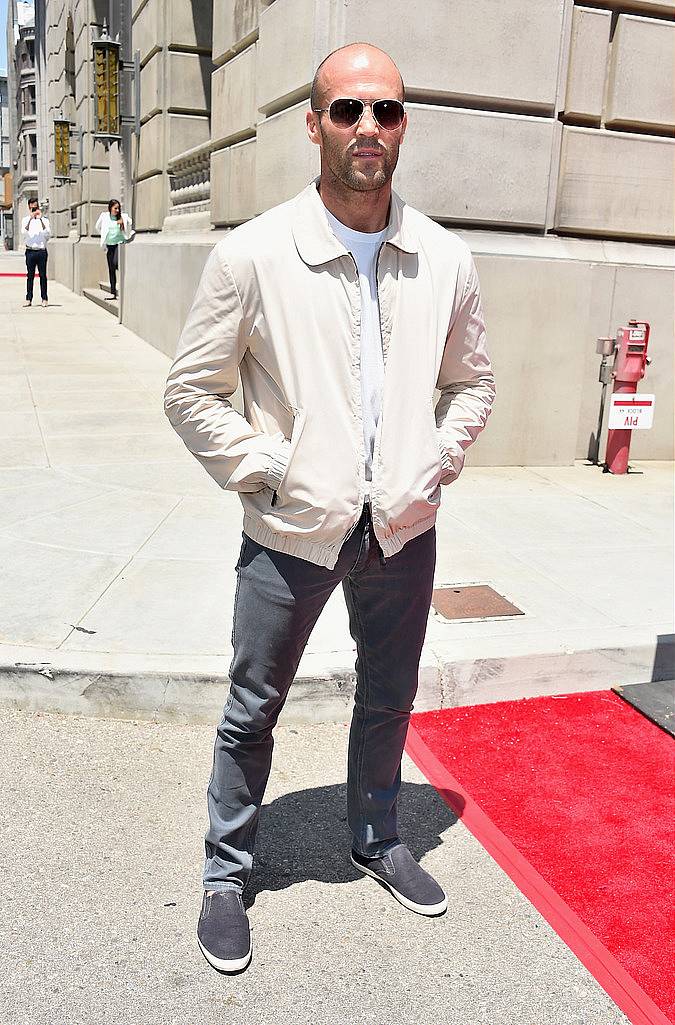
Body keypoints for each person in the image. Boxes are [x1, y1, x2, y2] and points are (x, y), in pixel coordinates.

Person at [164, 42, 495, 974]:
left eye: (385, 112)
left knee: (388, 699)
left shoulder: (443, 257)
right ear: (312, 123)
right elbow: (191, 391)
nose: (367, 129)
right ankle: (227, 875)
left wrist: (440, 454)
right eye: (346, 110)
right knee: (252, 707)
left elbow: (472, 381)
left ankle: (377, 835)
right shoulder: (254, 254)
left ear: (402, 127)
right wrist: (267, 465)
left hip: (401, 525)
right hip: (291, 529)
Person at [95, 199, 134, 300]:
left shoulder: (122, 217)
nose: (117, 210)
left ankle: (126, 285)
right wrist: (104, 236)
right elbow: (97, 227)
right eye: (115, 208)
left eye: (118, 208)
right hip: (109, 245)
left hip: (119, 244)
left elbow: (131, 222)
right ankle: (113, 293)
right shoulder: (104, 216)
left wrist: (124, 222)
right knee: (111, 269)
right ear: (110, 208)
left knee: (116, 263)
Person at [22, 198, 51, 307]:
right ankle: (28, 298)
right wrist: (31, 218)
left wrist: (40, 219)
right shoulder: (25, 220)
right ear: (29, 207)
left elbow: (48, 234)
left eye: (36, 207)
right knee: (30, 276)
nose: (34, 209)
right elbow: (24, 233)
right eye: (32, 207)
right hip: (30, 251)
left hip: (41, 251)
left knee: (43, 276)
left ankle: (44, 298)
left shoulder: (45, 220)